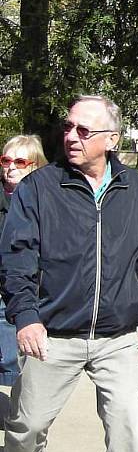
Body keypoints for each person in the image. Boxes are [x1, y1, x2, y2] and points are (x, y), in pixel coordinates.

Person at [0, 96, 138, 452]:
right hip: (52, 333)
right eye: (68, 127)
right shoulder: (40, 187)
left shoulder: (136, 188)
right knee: (27, 423)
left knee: (127, 426)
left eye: (84, 131)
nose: (71, 136)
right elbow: (17, 257)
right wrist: (26, 317)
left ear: (111, 140)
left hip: (118, 335)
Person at [0, 135, 47, 387]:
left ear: (35, 165)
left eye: (20, 161)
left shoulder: (44, 199)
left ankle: (21, 408)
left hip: (32, 287)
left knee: (25, 356)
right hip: (3, 286)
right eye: (6, 160)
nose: (11, 167)